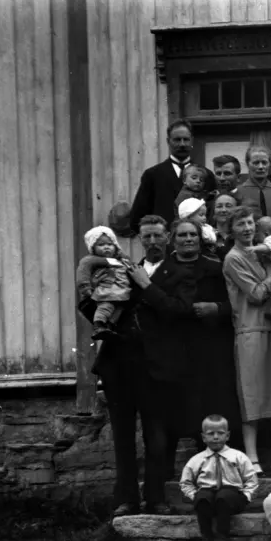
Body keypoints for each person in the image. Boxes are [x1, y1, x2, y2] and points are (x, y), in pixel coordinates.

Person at [77, 214, 197, 515]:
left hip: (157, 367)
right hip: (119, 363)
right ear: (139, 239)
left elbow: (180, 312)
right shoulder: (123, 267)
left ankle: (155, 497)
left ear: (167, 237)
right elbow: (91, 302)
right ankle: (126, 498)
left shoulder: (180, 271)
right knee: (122, 434)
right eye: (147, 237)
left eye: (158, 236)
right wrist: (95, 306)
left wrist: (147, 286)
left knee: (156, 435)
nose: (153, 242)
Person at [222, 206, 271, 472]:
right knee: (252, 395)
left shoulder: (263, 252)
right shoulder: (234, 258)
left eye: (250, 223)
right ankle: (252, 457)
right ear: (231, 230)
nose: (247, 229)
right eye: (241, 225)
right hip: (250, 330)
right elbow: (256, 294)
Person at [178, 217, 243, 448]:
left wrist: (217, 308)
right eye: (182, 235)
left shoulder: (216, 268)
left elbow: (236, 303)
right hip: (183, 347)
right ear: (173, 240)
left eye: (192, 234)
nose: (188, 239)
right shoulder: (167, 270)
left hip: (215, 345)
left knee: (220, 398)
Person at [179, 414, 258, 541]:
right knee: (203, 497)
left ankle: (221, 539)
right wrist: (194, 496)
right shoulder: (197, 460)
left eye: (220, 433)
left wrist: (246, 496)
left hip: (231, 497)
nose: (216, 437)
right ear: (203, 437)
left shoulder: (238, 457)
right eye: (211, 434)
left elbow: (251, 480)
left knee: (224, 496)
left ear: (227, 436)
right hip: (208, 497)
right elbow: (186, 482)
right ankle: (207, 539)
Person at [130, 120, 204, 235]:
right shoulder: (152, 175)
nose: (182, 144)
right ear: (168, 141)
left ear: (192, 141)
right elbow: (137, 218)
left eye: (186, 139)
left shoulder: (205, 175)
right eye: (177, 140)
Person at [79, 226, 135, 340]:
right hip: (107, 290)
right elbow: (83, 270)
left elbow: (131, 266)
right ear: (93, 248)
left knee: (119, 310)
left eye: (110, 244)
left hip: (123, 292)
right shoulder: (93, 261)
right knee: (105, 307)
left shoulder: (121, 260)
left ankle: (110, 326)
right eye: (101, 245)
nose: (106, 247)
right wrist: (85, 286)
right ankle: (98, 325)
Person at [235, 144, 271, 228]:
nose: (260, 167)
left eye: (264, 162)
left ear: (270, 164)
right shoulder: (238, 192)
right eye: (256, 163)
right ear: (247, 164)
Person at [211, 193, 240, 261]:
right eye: (219, 206)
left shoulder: (242, 235)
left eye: (228, 206)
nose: (223, 210)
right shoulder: (208, 235)